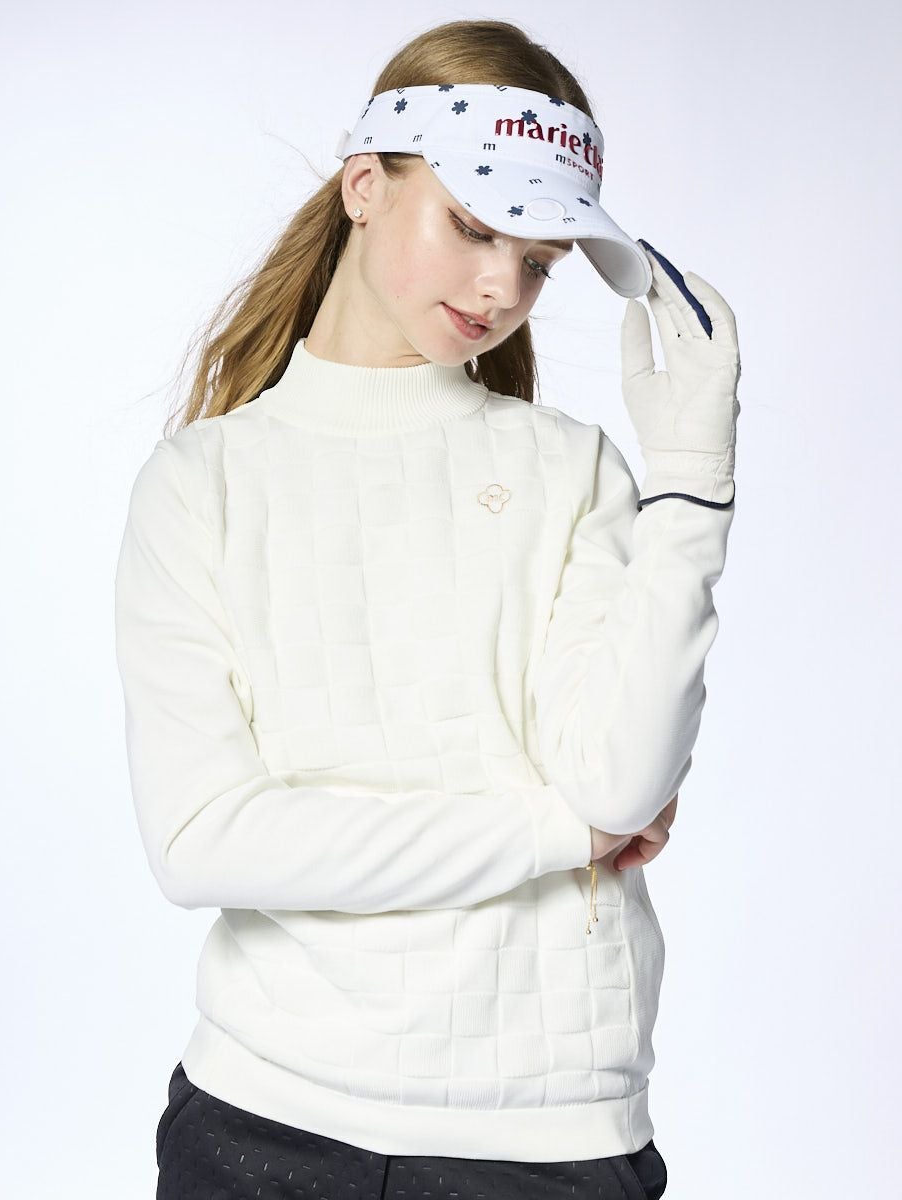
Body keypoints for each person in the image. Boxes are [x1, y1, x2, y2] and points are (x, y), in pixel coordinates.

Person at [113, 18, 740, 1200]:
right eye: (474, 225)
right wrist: (554, 833)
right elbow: (201, 842)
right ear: (365, 185)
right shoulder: (202, 484)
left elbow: (617, 784)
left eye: (540, 259)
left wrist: (691, 481)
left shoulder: (571, 468)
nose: (503, 286)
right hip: (265, 1116)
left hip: (547, 1135)